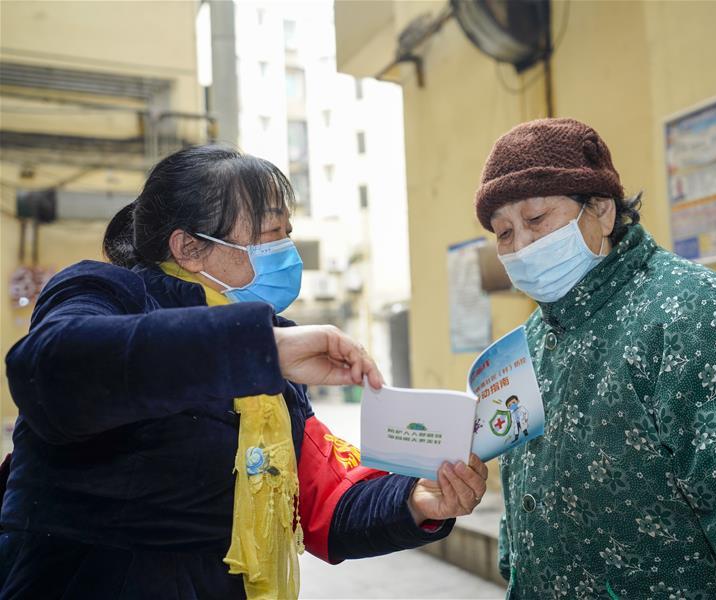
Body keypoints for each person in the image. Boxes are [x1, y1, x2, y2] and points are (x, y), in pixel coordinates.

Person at [0, 145, 488, 599]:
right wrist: (259, 348)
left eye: (288, 232)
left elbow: (321, 499)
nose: (288, 250)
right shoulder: (107, 293)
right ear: (189, 247)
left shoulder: (270, 346)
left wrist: (417, 500)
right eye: (271, 233)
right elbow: (54, 370)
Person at [475, 118, 716, 599]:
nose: (522, 247)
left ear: (601, 210)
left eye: (536, 219)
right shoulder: (533, 343)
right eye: (504, 233)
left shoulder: (700, 319)